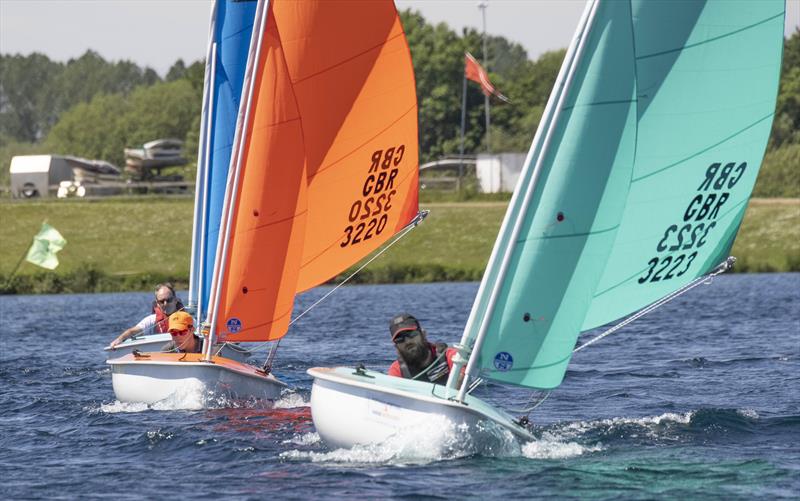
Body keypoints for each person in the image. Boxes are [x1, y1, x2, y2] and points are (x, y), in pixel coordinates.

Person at [387, 313, 460, 385]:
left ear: (423, 334)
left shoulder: (449, 356)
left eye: (411, 334)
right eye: (400, 339)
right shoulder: (397, 371)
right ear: (395, 346)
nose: (408, 342)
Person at [109, 283, 184, 348]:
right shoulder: (151, 320)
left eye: (169, 300)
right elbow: (132, 331)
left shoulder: (188, 320)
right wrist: (119, 339)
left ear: (175, 300)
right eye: (161, 301)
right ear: (157, 303)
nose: (165, 304)